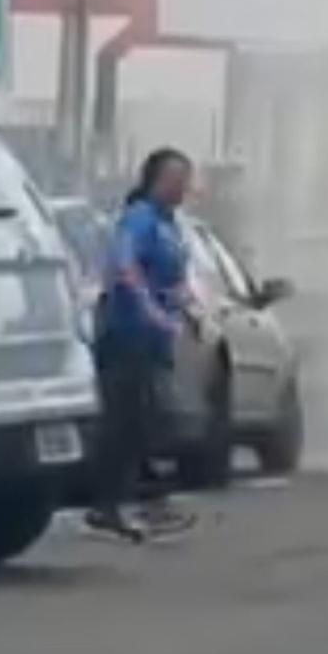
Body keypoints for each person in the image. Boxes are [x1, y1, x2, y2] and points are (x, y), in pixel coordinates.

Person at [84, 148, 200, 543]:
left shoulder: (171, 225)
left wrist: (188, 307)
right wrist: (149, 308)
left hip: (156, 341)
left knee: (152, 420)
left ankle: (144, 501)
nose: (183, 187)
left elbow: (177, 276)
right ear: (155, 180)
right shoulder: (140, 219)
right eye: (175, 179)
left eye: (186, 179)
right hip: (127, 335)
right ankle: (112, 504)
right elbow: (124, 266)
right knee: (127, 423)